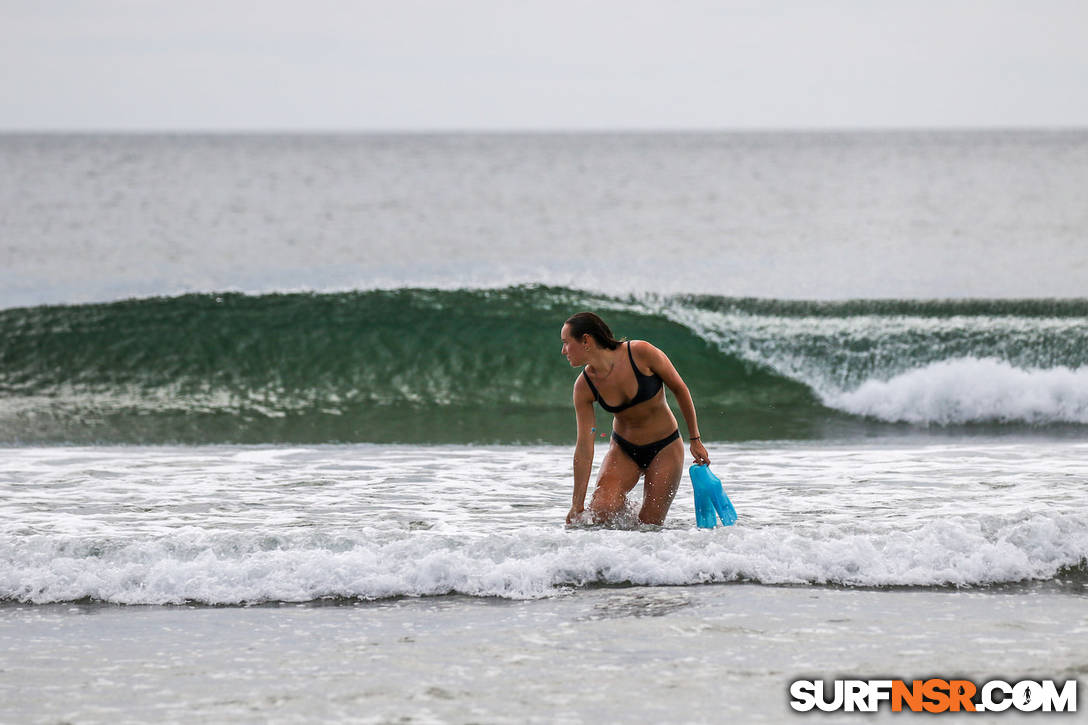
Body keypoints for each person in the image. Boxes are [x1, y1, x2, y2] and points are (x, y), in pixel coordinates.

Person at [560, 312, 710, 526]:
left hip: (665, 447)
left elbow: (680, 389)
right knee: (602, 511)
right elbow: (585, 444)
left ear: (586, 340)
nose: (563, 350)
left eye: (566, 343)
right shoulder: (584, 386)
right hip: (624, 449)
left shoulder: (640, 353)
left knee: (649, 525)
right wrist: (577, 504)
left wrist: (695, 440)